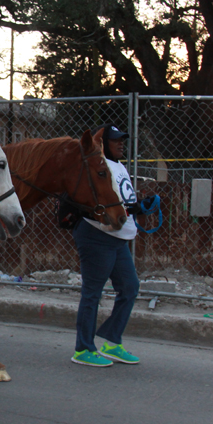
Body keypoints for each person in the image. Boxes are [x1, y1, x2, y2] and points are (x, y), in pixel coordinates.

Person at [70, 124, 155, 367]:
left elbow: (121, 202)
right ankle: (83, 348)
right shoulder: (98, 166)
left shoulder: (119, 167)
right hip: (98, 236)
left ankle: (110, 340)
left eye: (123, 140)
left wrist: (138, 206)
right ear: (103, 143)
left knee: (129, 287)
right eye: (116, 140)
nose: (121, 144)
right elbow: (99, 201)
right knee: (92, 293)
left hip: (119, 239)